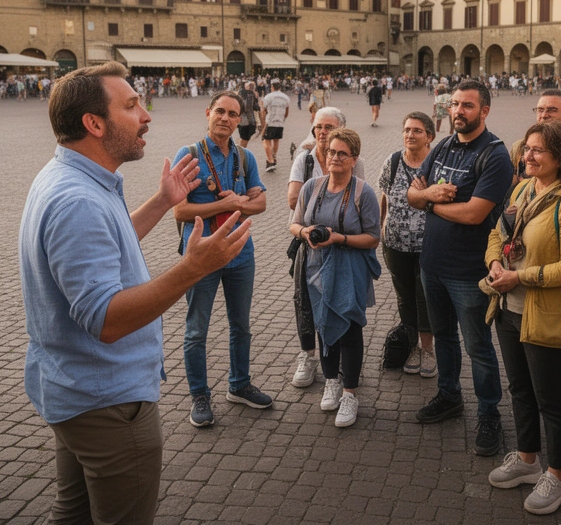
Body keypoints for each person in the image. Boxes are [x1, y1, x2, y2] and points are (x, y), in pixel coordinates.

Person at [19, 62, 251, 525]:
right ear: (94, 123)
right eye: (132, 105)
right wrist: (191, 269)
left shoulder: (72, 177)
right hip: (108, 403)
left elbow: (108, 241)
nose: (146, 115)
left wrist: (164, 202)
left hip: (74, 390)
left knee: (73, 514)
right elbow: (106, 320)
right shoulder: (78, 200)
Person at [483, 121, 561, 515]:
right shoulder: (522, 189)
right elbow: (499, 233)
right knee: (520, 389)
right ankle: (528, 459)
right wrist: (495, 263)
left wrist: (520, 276)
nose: (526, 156)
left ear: (560, 159)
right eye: (526, 148)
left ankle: (559, 476)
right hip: (508, 309)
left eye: (537, 151)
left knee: (551, 399)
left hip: (546, 315)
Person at [407, 80, 514, 456]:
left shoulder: (496, 155)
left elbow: (474, 213)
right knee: (444, 338)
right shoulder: (445, 145)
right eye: (454, 105)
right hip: (432, 264)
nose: (458, 112)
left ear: (484, 111)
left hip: (470, 270)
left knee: (478, 347)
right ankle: (449, 395)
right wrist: (426, 195)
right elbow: (410, 193)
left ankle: (489, 413)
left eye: (467, 106)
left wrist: (431, 203)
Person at [172, 92, 273, 428]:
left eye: (233, 114)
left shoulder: (245, 158)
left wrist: (239, 202)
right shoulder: (188, 156)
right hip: (200, 257)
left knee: (241, 325)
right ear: (208, 113)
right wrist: (227, 204)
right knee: (196, 330)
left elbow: (260, 204)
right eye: (220, 111)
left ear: (239, 119)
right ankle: (200, 395)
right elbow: (180, 209)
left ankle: (239, 384)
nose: (226, 118)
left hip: (240, 254)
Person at [290, 128, 382, 428]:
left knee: (350, 327)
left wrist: (338, 238)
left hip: (349, 269)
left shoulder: (362, 192)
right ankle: (330, 381)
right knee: (323, 323)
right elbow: (294, 225)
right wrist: (306, 233)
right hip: (316, 267)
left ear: (354, 159)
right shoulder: (312, 187)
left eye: (342, 153)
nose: (335, 158)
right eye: (331, 152)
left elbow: (372, 239)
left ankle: (350, 392)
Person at [286, 107, 366, 387]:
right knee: (306, 304)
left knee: (344, 309)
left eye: (329, 127)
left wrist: (339, 229)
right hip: (309, 248)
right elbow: (293, 200)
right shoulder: (305, 160)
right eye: (319, 126)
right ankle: (308, 356)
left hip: (344, 253)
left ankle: (346, 368)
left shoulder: (357, 163)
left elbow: (359, 201)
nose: (322, 132)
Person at [378, 111, 437, 377]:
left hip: (428, 246)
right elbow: (384, 197)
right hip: (395, 245)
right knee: (405, 298)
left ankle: (428, 350)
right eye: (407, 130)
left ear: (430, 137)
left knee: (425, 297)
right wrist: (380, 228)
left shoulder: (437, 165)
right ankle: (411, 345)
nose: (410, 135)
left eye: (417, 131)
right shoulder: (392, 162)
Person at [261, 79, 291, 171]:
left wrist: (263, 124)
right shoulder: (286, 97)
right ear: (280, 87)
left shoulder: (268, 97)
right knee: (276, 141)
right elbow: (286, 113)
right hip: (280, 123)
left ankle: (270, 161)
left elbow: (263, 110)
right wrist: (282, 119)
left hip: (270, 122)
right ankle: (274, 157)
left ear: (272, 87)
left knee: (266, 140)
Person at [236, 81, 260, 148]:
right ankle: (240, 152)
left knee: (244, 138)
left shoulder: (240, 93)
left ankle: (241, 151)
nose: (252, 87)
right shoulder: (249, 94)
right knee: (244, 139)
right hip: (247, 120)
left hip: (244, 120)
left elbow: (255, 107)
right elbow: (252, 107)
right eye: (251, 86)